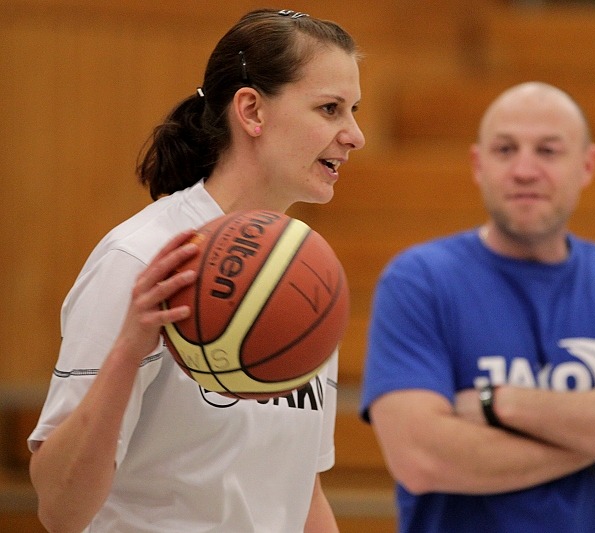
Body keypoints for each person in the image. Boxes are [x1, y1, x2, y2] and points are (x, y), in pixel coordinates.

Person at [28, 8, 365, 533]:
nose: (355, 135)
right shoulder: (140, 258)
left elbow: (302, 493)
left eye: (353, 110)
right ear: (251, 110)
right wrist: (129, 350)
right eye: (330, 109)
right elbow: (60, 510)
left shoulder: (304, 271)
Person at [359, 82, 595, 532]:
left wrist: (498, 403)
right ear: (478, 165)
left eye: (548, 151)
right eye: (505, 150)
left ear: (587, 165)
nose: (524, 170)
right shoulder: (419, 280)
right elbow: (423, 458)